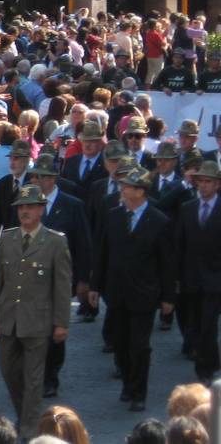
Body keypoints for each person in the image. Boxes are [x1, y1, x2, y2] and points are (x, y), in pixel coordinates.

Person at [0, 184, 73, 441]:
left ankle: (28, 429)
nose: (25, 211)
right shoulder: (7, 238)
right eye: (21, 207)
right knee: (8, 371)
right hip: (9, 318)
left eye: (30, 206)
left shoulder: (56, 242)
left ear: (41, 209)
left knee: (34, 379)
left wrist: (61, 322)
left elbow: (62, 285)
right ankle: (26, 415)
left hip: (38, 320)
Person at [89, 167, 175, 412]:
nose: (123, 190)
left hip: (144, 295)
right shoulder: (113, 216)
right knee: (120, 341)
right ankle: (127, 383)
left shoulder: (159, 221)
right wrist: (95, 285)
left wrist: (169, 297)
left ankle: (138, 393)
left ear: (141, 192)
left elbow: (167, 263)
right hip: (116, 292)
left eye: (128, 187)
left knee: (140, 345)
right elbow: (102, 252)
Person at [31, 153, 92, 398]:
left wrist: (84, 280)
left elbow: (83, 244)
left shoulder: (72, 205)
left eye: (44, 177)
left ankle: (51, 375)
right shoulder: (27, 202)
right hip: (31, 278)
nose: (39, 181)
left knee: (54, 330)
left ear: (54, 178)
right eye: (36, 176)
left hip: (60, 280)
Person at [175, 160, 221, 384]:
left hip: (215, 279)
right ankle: (211, 359)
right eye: (201, 181)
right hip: (191, 277)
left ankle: (205, 369)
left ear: (217, 184)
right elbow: (179, 245)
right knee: (192, 322)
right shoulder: (188, 209)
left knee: (208, 324)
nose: (204, 186)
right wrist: (176, 277)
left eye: (208, 182)